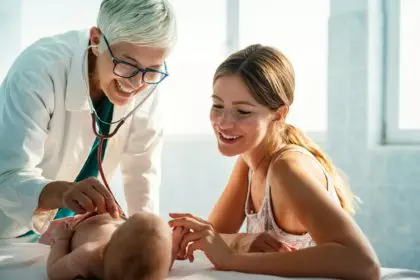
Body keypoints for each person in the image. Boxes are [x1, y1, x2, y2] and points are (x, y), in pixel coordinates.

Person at [169, 44, 381, 279]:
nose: (224, 122)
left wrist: (232, 259)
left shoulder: (285, 168)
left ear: (279, 114)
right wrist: (242, 241)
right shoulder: (249, 160)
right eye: (218, 106)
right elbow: (211, 239)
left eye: (243, 112)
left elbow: (363, 263)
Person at [0, 0, 176, 239]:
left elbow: (142, 174)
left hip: (64, 232)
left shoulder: (147, 82)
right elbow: (7, 176)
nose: (137, 84)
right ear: (96, 40)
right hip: (9, 231)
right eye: (127, 65)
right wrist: (64, 193)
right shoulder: (38, 71)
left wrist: (148, 239)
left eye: (152, 70)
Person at [45, 211, 185, 280]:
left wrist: (62, 239)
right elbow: (157, 264)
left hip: (85, 219)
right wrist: (173, 247)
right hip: (112, 215)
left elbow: (53, 271)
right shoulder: (149, 267)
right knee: (153, 245)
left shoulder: (87, 255)